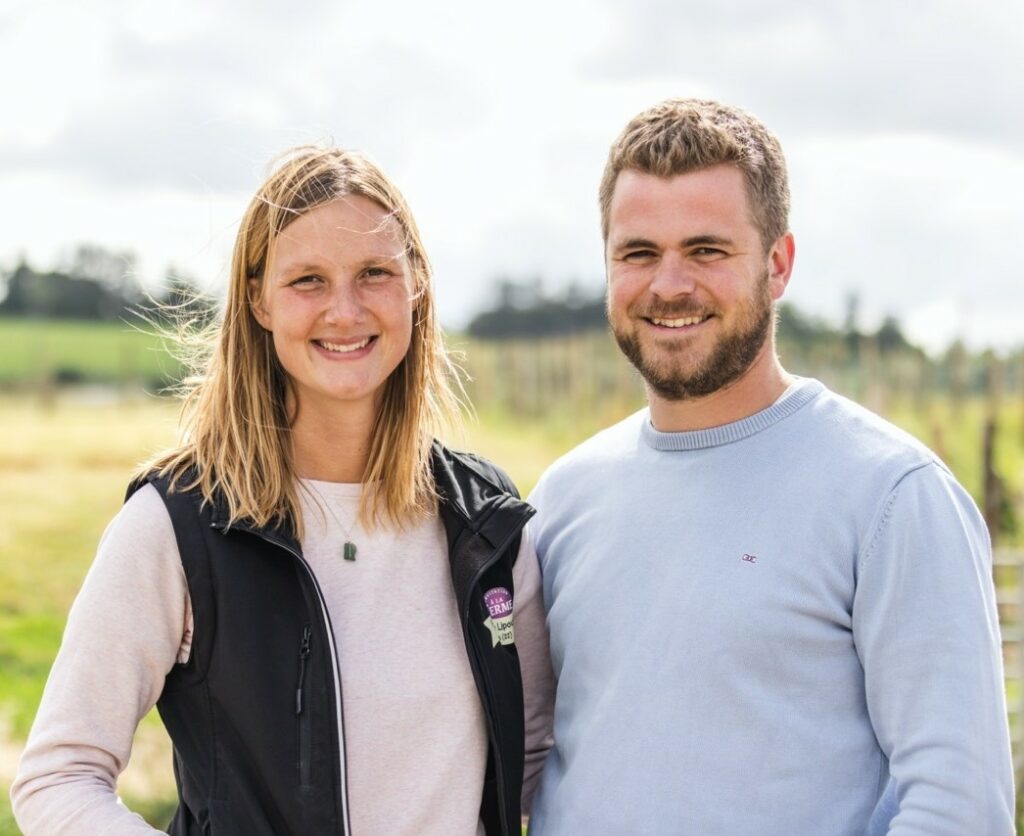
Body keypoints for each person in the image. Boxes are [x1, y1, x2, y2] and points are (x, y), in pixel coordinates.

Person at [11, 145, 554, 835]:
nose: (345, 310)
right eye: (308, 281)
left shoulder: (485, 523)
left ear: (416, 284)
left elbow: (533, 762)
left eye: (374, 273)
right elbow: (58, 776)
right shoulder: (178, 526)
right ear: (258, 300)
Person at [525, 98, 1014, 834]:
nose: (669, 285)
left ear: (778, 264)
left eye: (706, 250)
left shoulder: (891, 497)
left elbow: (958, 805)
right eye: (638, 253)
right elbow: (523, 759)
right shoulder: (561, 500)